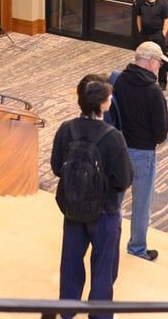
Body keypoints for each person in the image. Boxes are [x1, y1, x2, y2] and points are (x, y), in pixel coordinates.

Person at [51, 74, 133, 319]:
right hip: (105, 212)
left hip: (73, 209)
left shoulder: (67, 129)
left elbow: (57, 167)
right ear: (102, 104)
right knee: (103, 270)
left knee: (70, 266)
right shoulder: (113, 137)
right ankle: (99, 315)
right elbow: (124, 179)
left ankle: (66, 313)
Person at [112, 41, 168, 262]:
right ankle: (136, 248)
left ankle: (108, 238)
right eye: (159, 63)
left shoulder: (119, 79)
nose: (160, 67)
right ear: (152, 61)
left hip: (118, 148)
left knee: (115, 200)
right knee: (141, 204)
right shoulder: (154, 92)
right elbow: (160, 133)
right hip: (143, 153)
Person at [134, 0, 168, 88]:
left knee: (160, 57)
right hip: (145, 34)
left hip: (157, 34)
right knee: (142, 56)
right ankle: (142, 78)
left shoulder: (161, 4)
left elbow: (167, 19)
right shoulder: (141, 3)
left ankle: (162, 82)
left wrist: (163, 34)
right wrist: (140, 30)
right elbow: (139, 17)